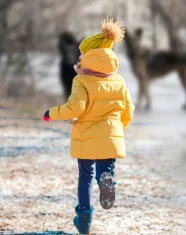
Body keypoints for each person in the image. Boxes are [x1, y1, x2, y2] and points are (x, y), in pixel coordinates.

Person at [43, 18, 135, 234]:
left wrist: (51, 113)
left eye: (82, 54)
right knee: (105, 170)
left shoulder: (81, 80)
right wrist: (118, 131)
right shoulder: (118, 80)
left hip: (85, 137)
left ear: (88, 55)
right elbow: (129, 110)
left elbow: (75, 108)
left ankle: (84, 222)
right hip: (110, 136)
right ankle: (107, 179)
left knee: (85, 176)